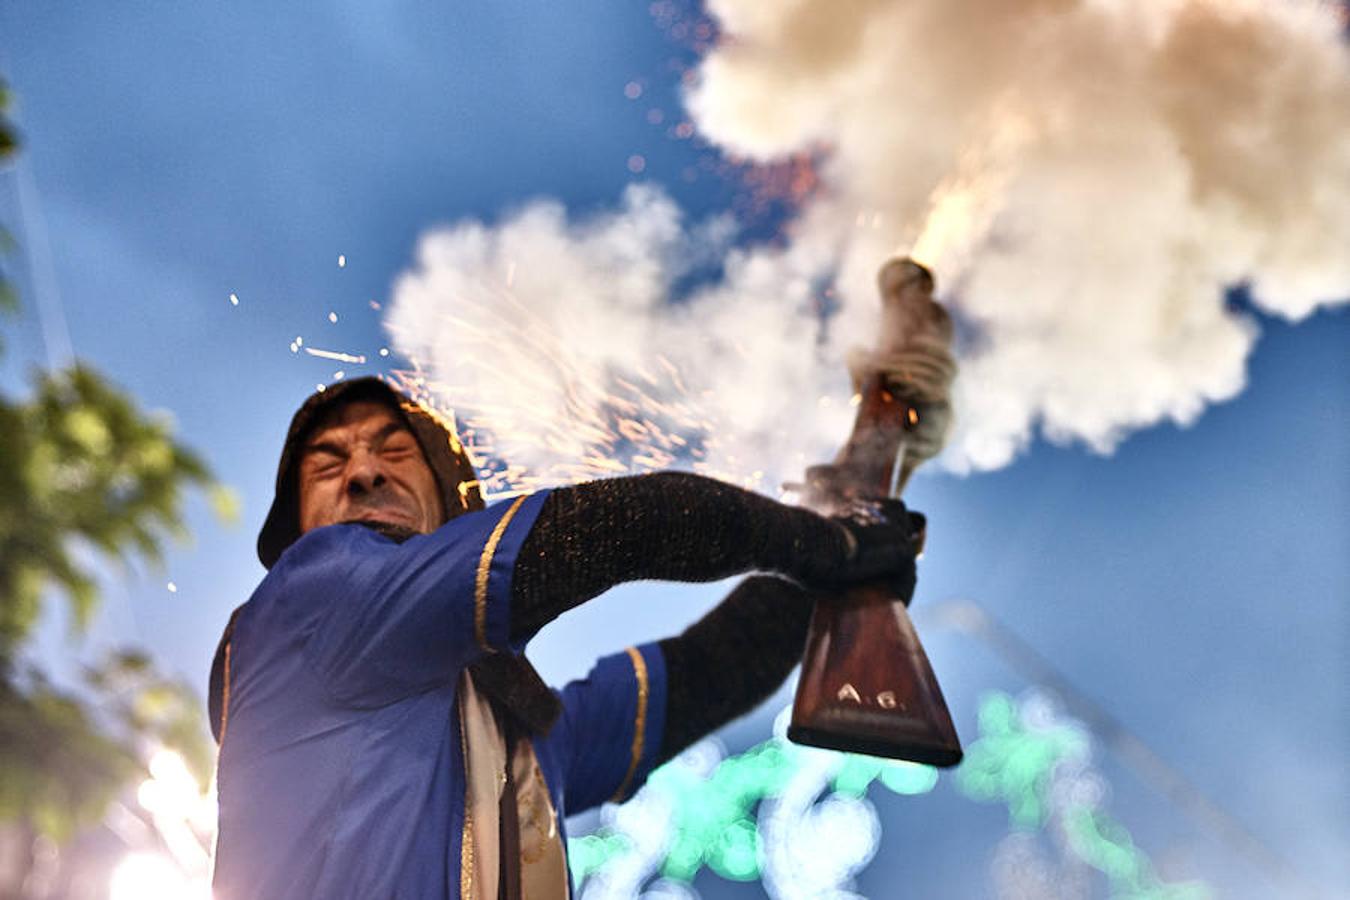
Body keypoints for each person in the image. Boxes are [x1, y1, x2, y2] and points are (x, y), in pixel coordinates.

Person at [208, 376, 922, 899]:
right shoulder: (315, 592)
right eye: (328, 465)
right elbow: (620, 526)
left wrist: (851, 518)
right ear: (298, 529)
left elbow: (717, 669)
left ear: (453, 503)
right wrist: (829, 545)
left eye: (396, 452)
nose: (363, 472)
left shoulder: (516, 735)